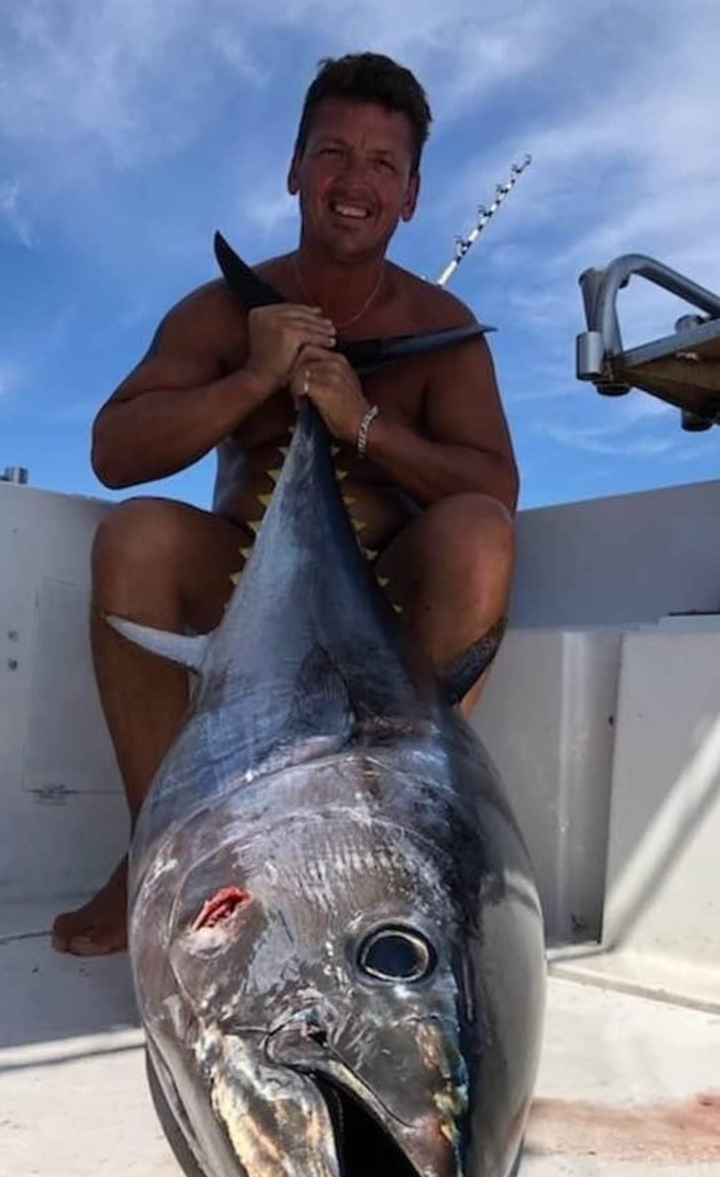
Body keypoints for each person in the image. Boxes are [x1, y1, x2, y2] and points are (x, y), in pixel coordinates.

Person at [51, 52, 519, 956]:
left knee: (478, 538)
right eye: (335, 154)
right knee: (136, 536)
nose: (355, 182)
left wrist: (363, 421)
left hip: (388, 602)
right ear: (295, 170)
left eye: (383, 164)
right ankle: (159, 855)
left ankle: (395, 835)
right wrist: (255, 377)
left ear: (413, 194)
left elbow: (493, 487)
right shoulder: (222, 312)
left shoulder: (447, 337)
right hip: (247, 579)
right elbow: (115, 450)